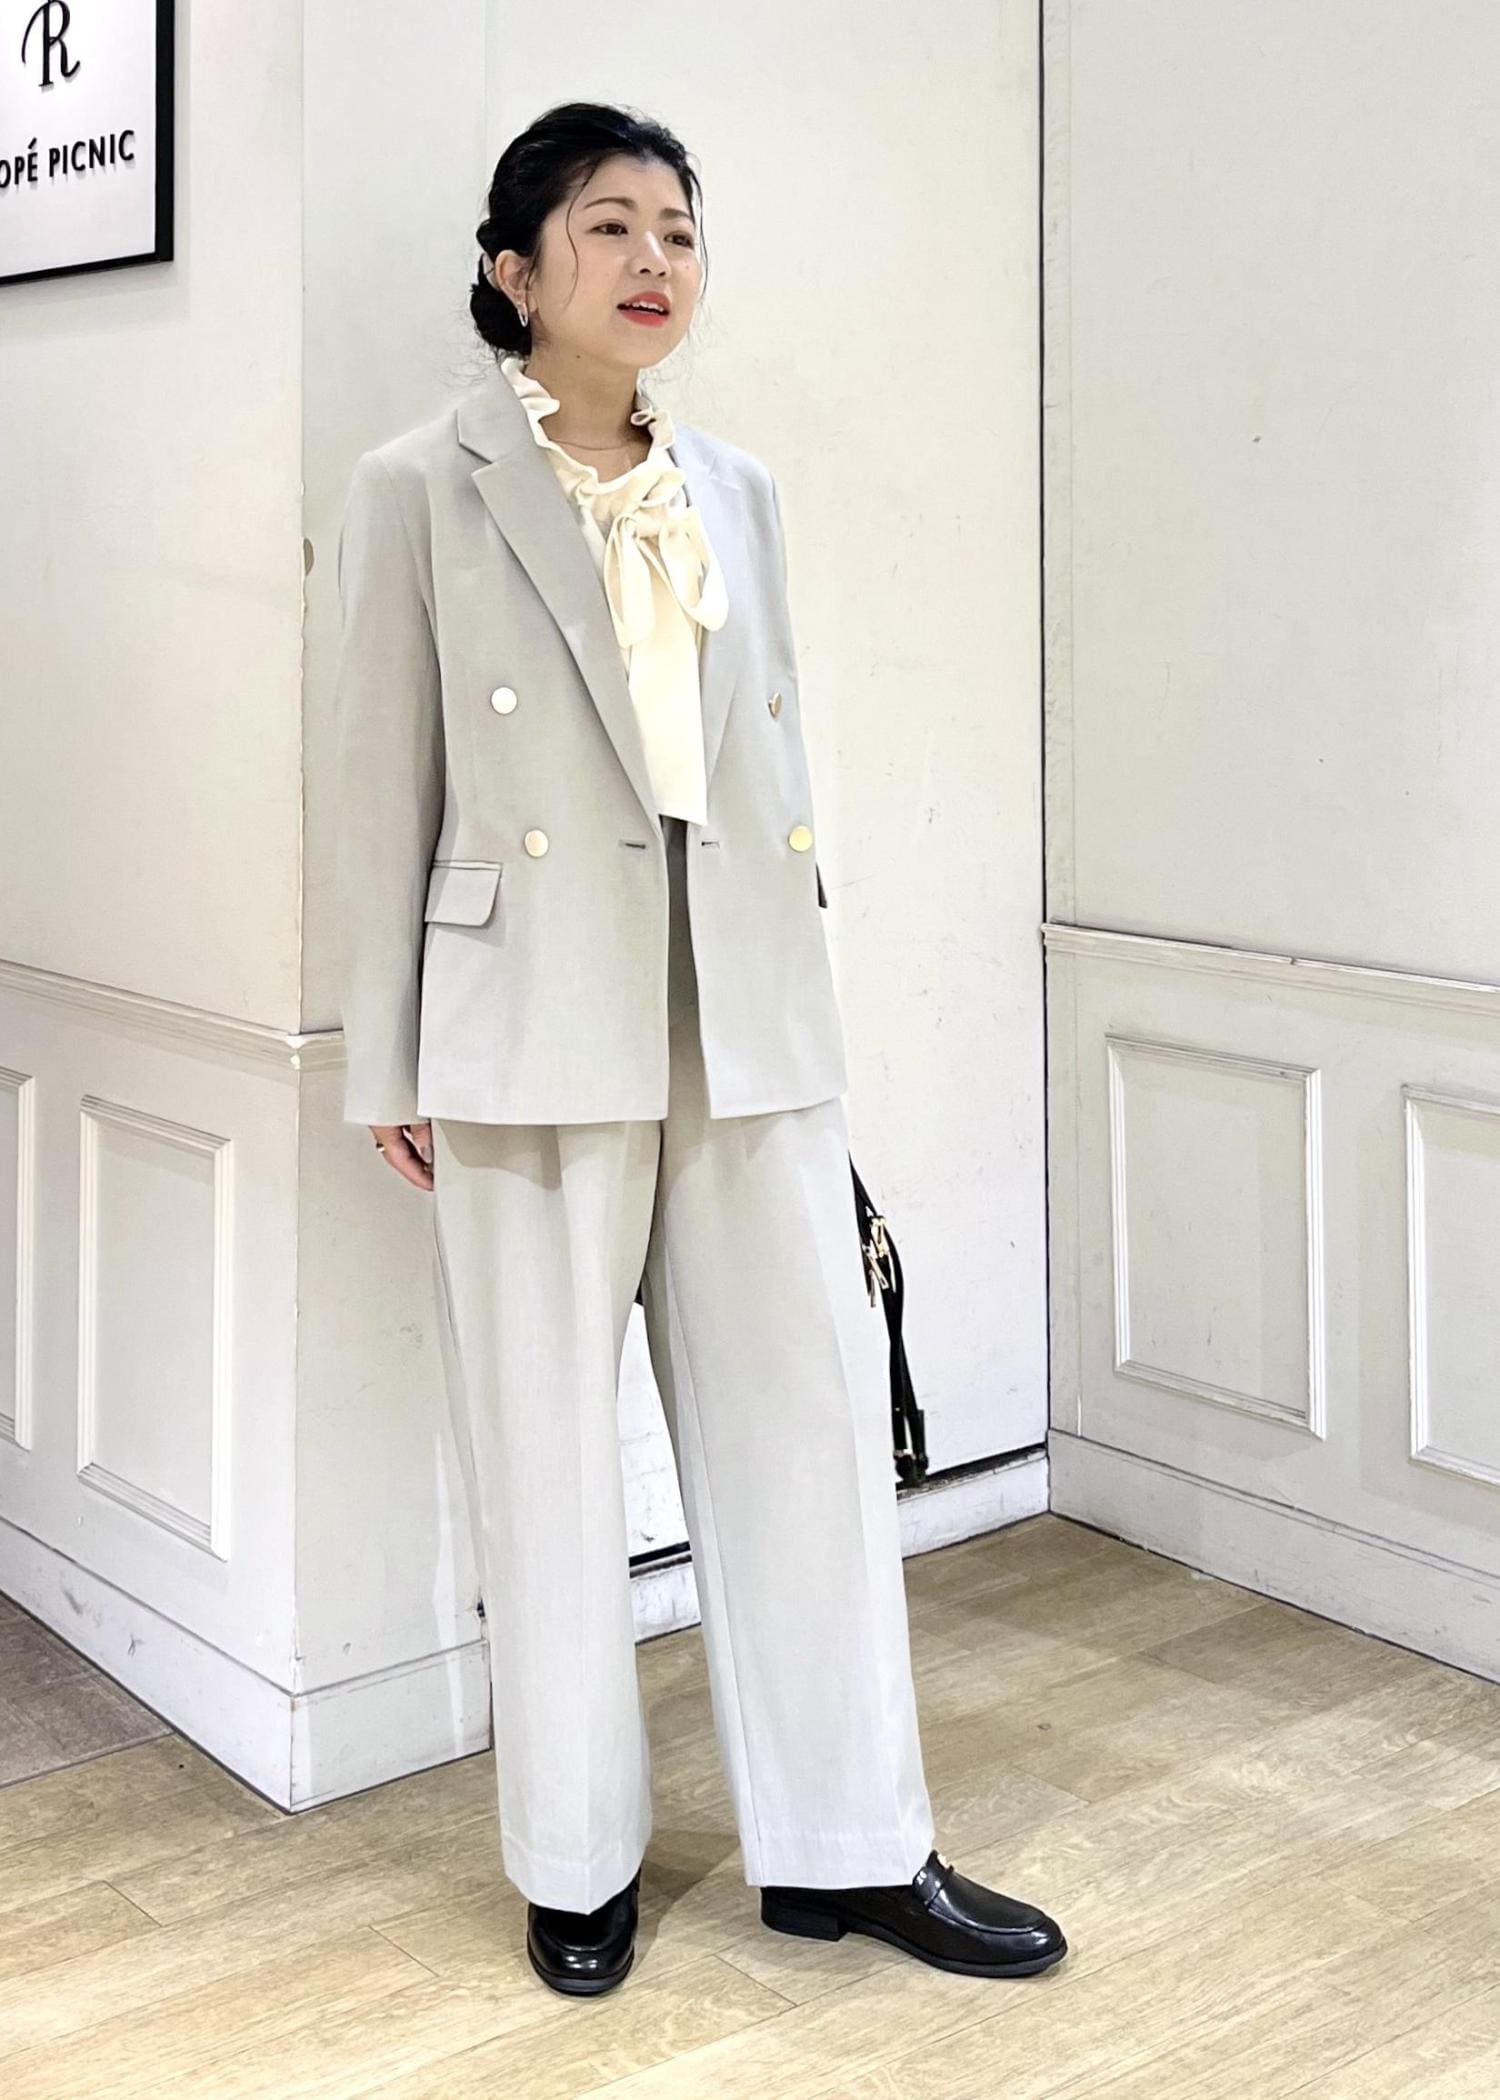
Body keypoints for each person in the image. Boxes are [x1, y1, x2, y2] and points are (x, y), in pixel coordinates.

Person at [333, 98, 1067, 1998]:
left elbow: (771, 760)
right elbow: (375, 783)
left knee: (806, 1437)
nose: (654, 261)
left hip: (743, 1018)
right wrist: (386, 1060)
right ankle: (576, 1862)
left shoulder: (737, 489)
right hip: (523, 1028)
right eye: (610, 227)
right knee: (547, 1462)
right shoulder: (418, 485)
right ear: (516, 271)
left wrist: (806, 998)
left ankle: (849, 1847)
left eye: (677, 229)